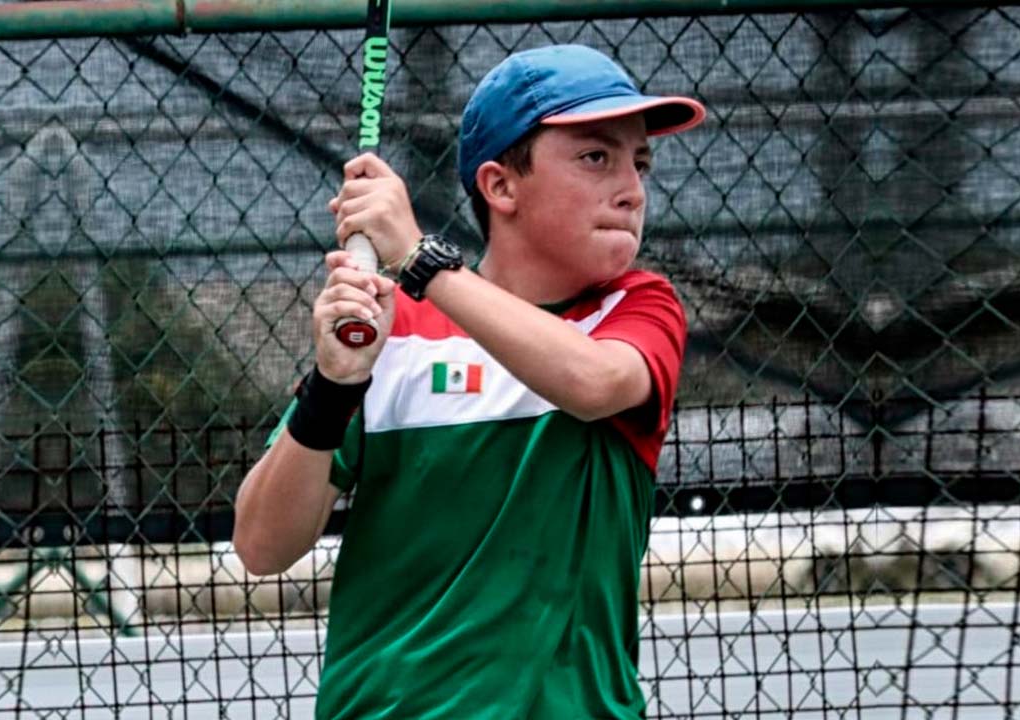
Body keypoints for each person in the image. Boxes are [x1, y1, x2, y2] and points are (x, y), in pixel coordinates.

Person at [233, 44, 705, 719]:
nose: (631, 188)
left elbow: (593, 382)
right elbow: (260, 546)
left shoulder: (636, 311)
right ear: (501, 186)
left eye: (640, 163)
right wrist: (334, 386)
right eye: (596, 157)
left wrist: (416, 257)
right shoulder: (390, 330)